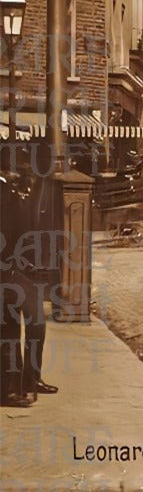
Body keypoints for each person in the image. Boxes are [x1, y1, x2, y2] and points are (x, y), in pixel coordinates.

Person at [1, 171, 58, 407]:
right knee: (14, 327)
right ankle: (13, 389)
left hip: (22, 270)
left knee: (30, 325)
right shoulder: (8, 194)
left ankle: (28, 382)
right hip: (9, 270)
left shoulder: (25, 192)